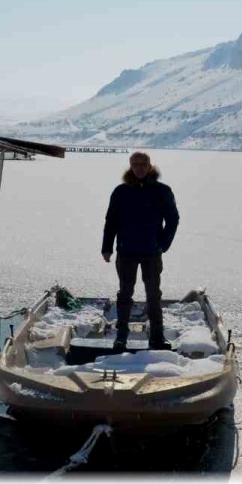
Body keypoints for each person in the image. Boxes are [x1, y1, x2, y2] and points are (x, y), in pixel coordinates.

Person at [101, 151, 180, 352]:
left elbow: (173, 219)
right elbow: (111, 221)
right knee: (125, 293)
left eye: (143, 164)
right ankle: (121, 336)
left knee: (153, 294)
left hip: (151, 252)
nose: (139, 168)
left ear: (149, 166)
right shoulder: (121, 191)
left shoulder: (162, 191)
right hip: (126, 251)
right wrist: (107, 247)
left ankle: (157, 336)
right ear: (130, 166)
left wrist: (163, 244)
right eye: (135, 164)